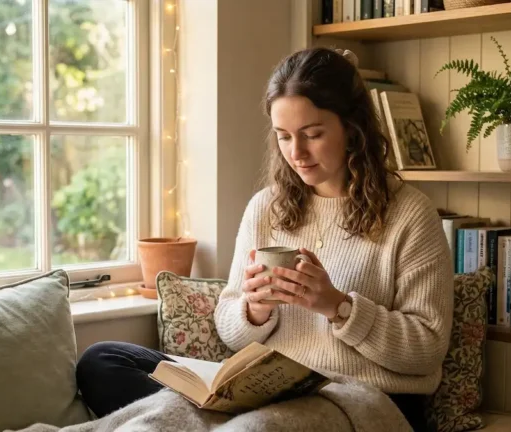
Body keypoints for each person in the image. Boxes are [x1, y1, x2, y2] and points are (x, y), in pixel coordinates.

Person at [75, 47, 453, 431]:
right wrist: (254, 309)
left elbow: (427, 349)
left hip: (361, 397)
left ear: (353, 128)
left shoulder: (409, 214)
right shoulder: (266, 207)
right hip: (267, 387)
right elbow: (231, 326)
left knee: (250, 428)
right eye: (284, 136)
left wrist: (338, 307)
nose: (297, 153)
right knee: (103, 360)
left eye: (313, 134)